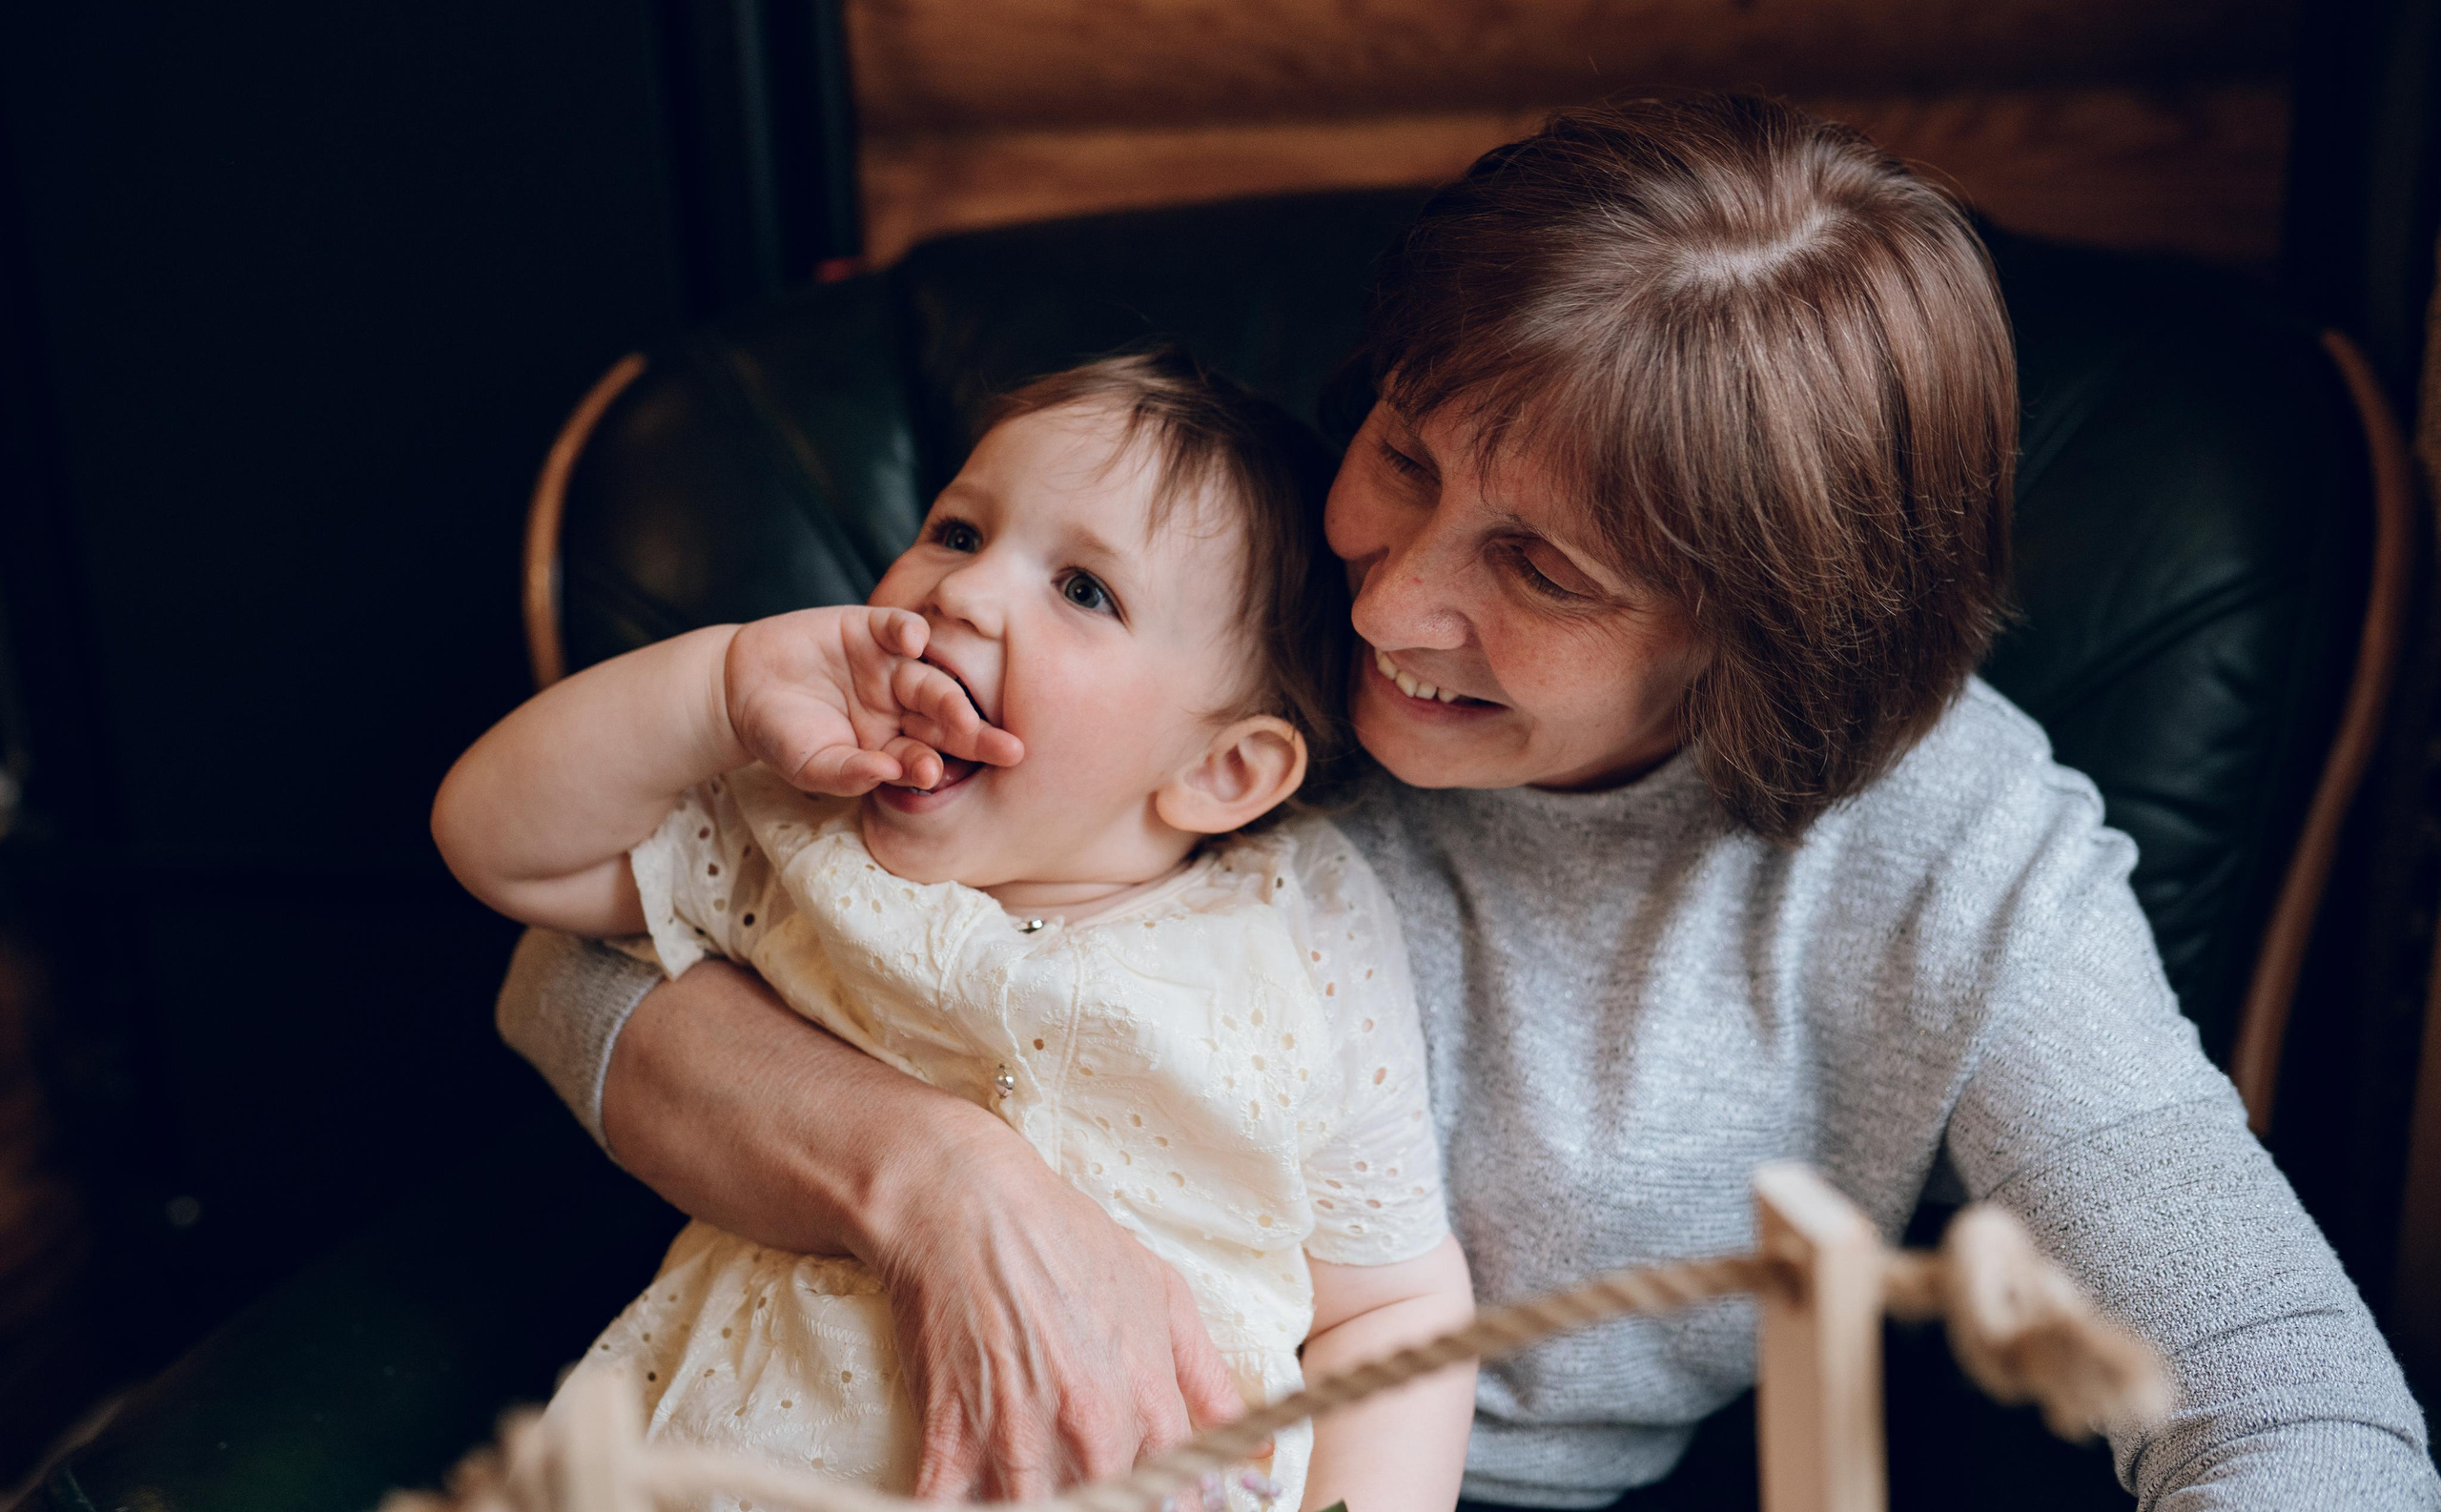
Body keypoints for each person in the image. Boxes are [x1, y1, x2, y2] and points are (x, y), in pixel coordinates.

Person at [499, 95, 2441, 1508]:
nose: (1388, 592)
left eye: (1542, 571)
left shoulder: (1950, 862)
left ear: (1753, 639)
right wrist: (942, 1181)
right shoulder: (1197, 629)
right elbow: (571, 971)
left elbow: (2275, 1383)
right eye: (1403, 452)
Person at [435, 354, 1478, 1512]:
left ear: (1223, 769)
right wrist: (717, 690)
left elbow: (1392, 1304)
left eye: (1084, 589)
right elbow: (498, 846)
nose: (961, 596)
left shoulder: (1305, 932)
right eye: (957, 531)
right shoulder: (802, 829)